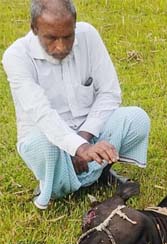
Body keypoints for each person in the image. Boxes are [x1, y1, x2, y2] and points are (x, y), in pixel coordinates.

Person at [2, 0, 149, 209]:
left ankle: (98, 173)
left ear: (74, 25)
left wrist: (85, 139)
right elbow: (42, 114)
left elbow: (110, 92)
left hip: (89, 133)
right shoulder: (16, 56)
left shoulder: (88, 35)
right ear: (34, 28)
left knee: (136, 118)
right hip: (47, 138)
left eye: (67, 36)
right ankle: (55, 186)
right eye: (51, 38)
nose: (61, 47)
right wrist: (77, 148)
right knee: (42, 145)